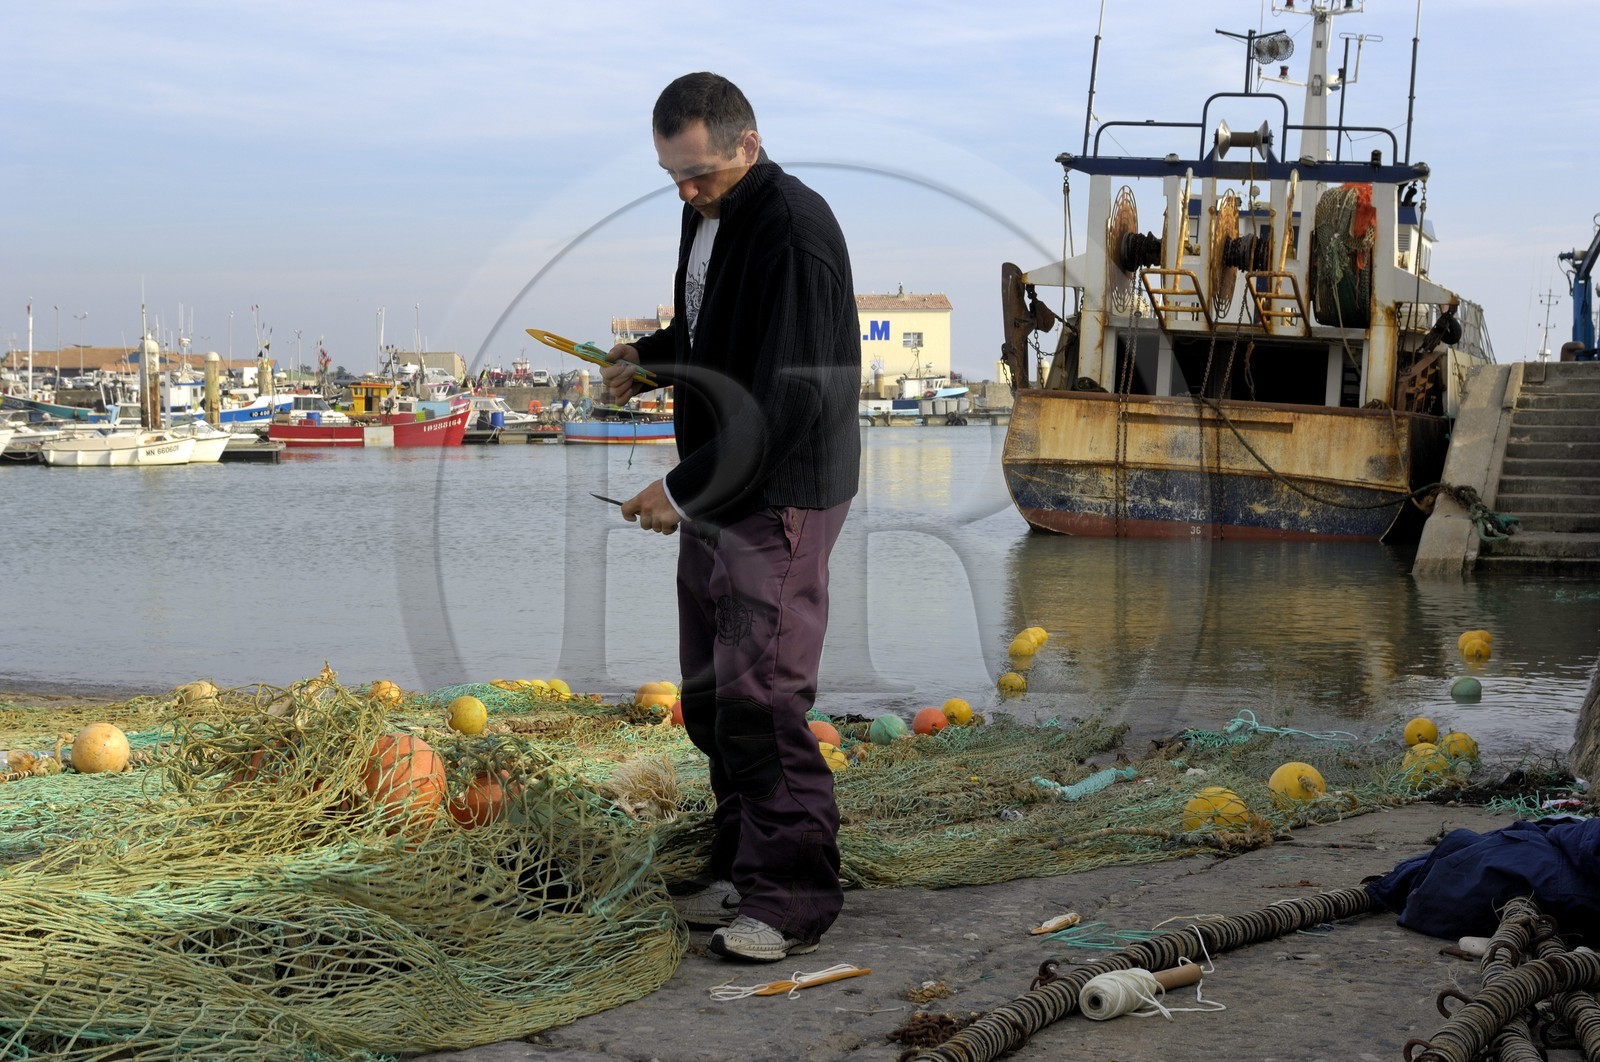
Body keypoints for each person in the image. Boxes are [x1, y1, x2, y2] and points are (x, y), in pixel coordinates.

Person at [599, 72, 861, 963]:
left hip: (780, 491)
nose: (683, 191)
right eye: (670, 175)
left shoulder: (793, 231)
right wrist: (653, 359)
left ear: (748, 145)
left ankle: (791, 901)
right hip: (719, 488)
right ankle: (747, 862)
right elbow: (718, 336)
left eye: (699, 173)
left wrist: (677, 492)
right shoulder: (705, 212)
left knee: (762, 695)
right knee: (710, 695)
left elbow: (785, 401)